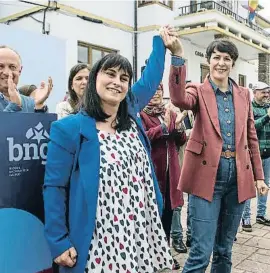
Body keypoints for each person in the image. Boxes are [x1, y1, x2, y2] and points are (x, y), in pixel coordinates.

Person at [43, 27, 181, 273]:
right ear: (95, 77)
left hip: (139, 230)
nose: (117, 82)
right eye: (110, 74)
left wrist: (160, 42)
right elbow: (54, 188)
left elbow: (150, 79)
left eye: (124, 78)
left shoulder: (130, 114)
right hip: (99, 240)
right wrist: (58, 242)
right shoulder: (68, 129)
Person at [166, 32, 269, 273]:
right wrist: (178, 56)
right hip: (206, 178)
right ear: (209, 61)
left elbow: (251, 136)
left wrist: (259, 176)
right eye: (216, 57)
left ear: (232, 63)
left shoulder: (244, 94)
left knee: (224, 251)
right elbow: (180, 98)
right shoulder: (198, 90)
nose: (221, 62)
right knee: (200, 253)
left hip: (238, 178)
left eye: (226, 58)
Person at [140, 85, 187, 257]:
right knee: (153, 213)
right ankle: (150, 255)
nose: (155, 95)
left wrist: (179, 127)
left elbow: (180, 141)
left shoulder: (169, 113)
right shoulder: (141, 115)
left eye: (159, 91)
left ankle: (164, 252)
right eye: (151, 91)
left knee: (169, 211)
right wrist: (164, 128)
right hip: (154, 171)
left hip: (171, 172)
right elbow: (144, 137)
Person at [242, 82, 270, 232]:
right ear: (254, 92)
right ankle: (246, 217)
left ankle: (260, 214)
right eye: (263, 92)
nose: (266, 95)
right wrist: (267, 117)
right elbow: (250, 128)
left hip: (268, 154)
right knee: (248, 186)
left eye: (268, 92)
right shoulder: (249, 108)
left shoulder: (268, 107)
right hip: (252, 154)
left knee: (265, 185)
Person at [0, 45, 51, 112]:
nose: (6, 72)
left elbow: (42, 122)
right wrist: (14, 106)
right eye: (0, 66)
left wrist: (39, 107)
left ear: (20, 71)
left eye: (12, 67)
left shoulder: (31, 103)